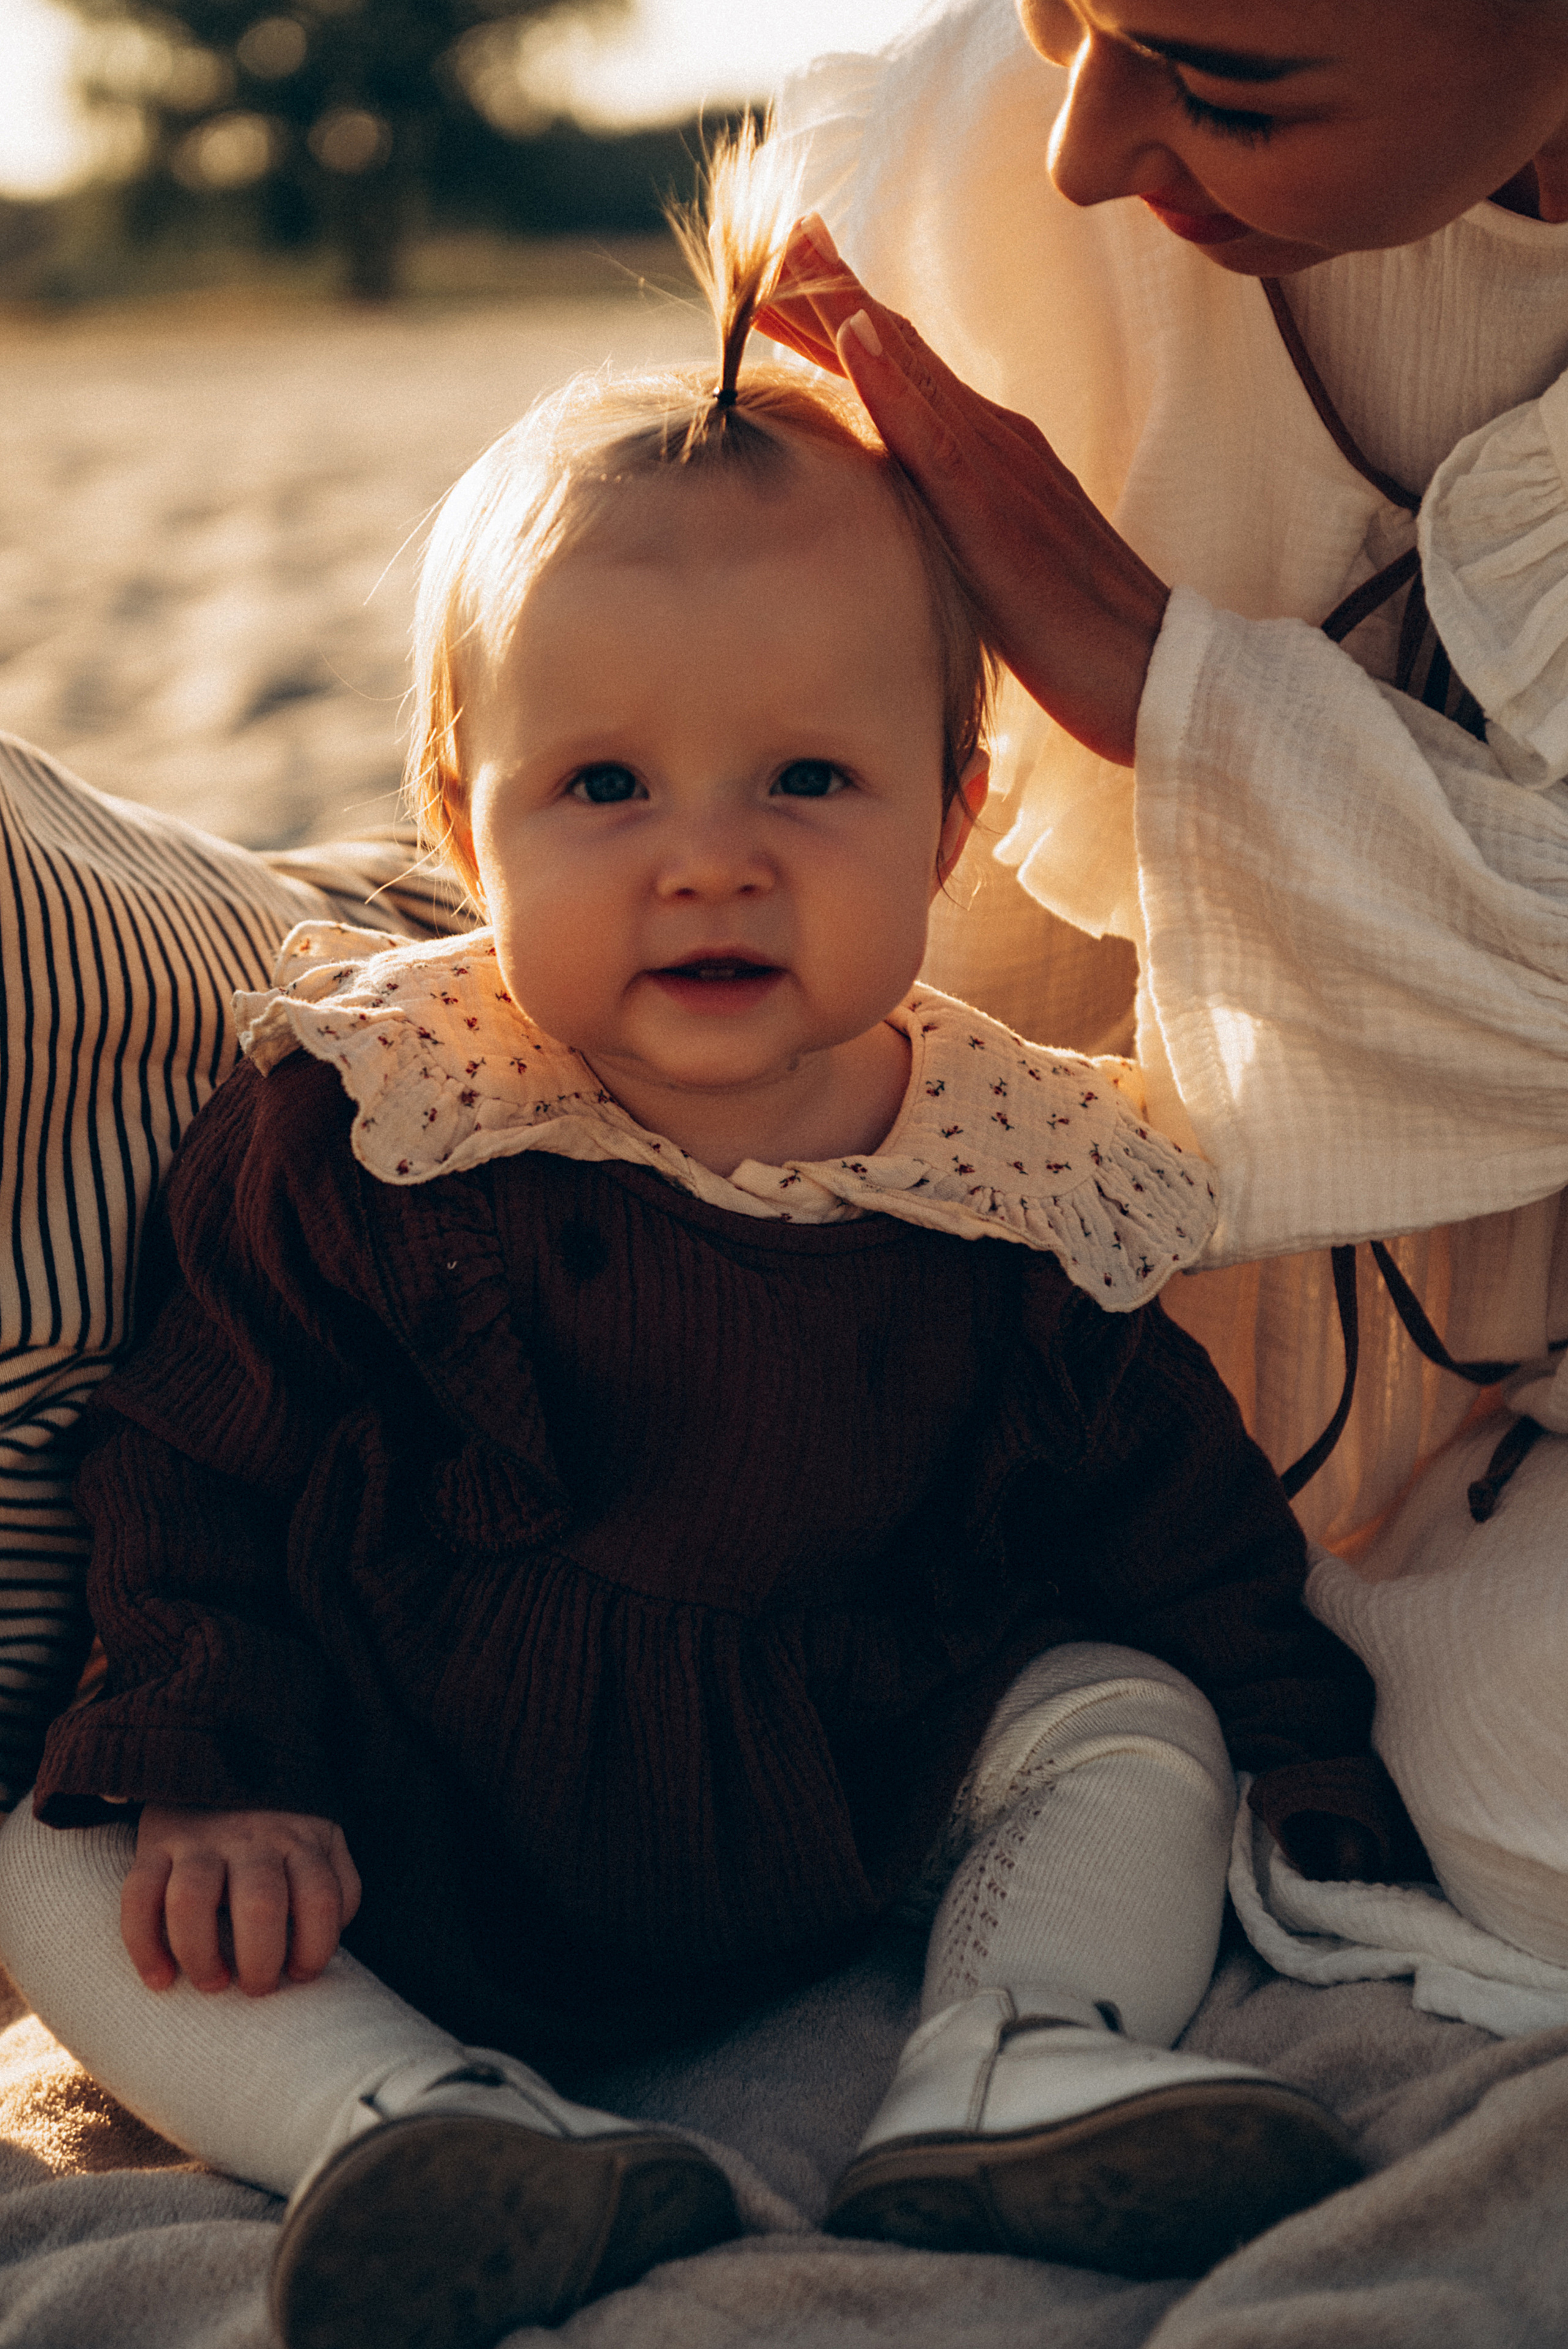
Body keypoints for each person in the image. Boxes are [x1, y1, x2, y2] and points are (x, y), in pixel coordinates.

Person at [0, 140, 1384, 2349]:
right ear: (467, 825)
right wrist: (216, 1758)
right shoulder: (379, 1120)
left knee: (1122, 1711)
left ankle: (1012, 2044)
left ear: (952, 814)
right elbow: (194, 1456)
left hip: (842, 1793)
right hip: (394, 1816)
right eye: (609, 789)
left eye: (807, 784)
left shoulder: (1012, 1177)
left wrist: (1313, 1763)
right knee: (58, 1850)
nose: (709, 864)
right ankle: (402, 2117)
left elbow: (1179, 1524)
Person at [757, 0, 1568, 1956]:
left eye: (1222, 84)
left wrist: (1165, 683)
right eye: (1065, 17)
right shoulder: (960, 182)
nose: (1084, 147)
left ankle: (1310, 1627)